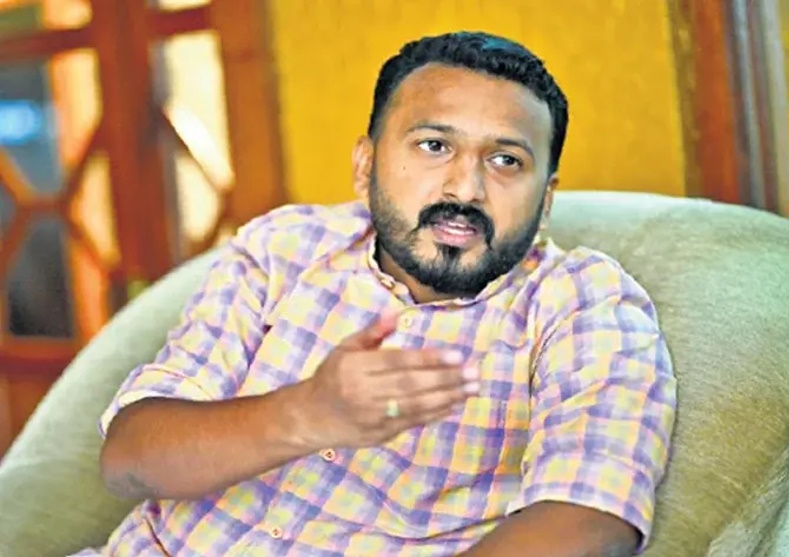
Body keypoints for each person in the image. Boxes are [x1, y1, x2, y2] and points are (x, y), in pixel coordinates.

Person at [77, 31, 677, 557]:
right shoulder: (284, 248)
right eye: (434, 145)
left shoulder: (584, 302)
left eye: (505, 160)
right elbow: (130, 459)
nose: (465, 188)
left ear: (545, 200)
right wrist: (307, 413)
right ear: (366, 166)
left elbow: (591, 520)